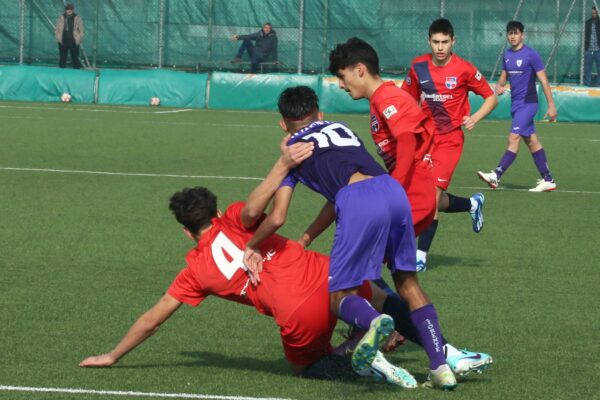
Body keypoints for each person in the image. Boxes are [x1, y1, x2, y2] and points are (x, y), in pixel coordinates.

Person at [78, 182, 418, 386]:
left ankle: (366, 367)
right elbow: (263, 205)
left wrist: (113, 355)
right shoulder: (235, 217)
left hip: (297, 311)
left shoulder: (195, 271)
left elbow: (152, 320)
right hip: (323, 272)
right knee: (375, 292)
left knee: (306, 367)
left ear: (186, 231)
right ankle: (434, 347)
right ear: (217, 211)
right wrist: (284, 163)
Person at [242, 86, 461, 391]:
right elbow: (339, 191)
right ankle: (440, 367)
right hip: (393, 192)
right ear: (320, 114)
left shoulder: (293, 152)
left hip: (358, 201)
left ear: (283, 124)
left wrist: (251, 245)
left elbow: (277, 216)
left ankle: (373, 322)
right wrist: (307, 238)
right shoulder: (339, 128)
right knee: (408, 284)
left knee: (339, 299)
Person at [400, 19, 497, 271]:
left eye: (445, 42)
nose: (440, 47)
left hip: (450, 140)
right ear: (428, 41)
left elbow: (490, 97)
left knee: (430, 197)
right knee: (427, 197)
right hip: (424, 139)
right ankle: (472, 204)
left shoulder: (464, 69)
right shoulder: (417, 66)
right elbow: (407, 101)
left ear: (453, 41)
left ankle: (420, 256)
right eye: (435, 42)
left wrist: (474, 117)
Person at [477, 21, 558, 193]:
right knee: (532, 141)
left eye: (516, 33)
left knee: (513, 138)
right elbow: (504, 76)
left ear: (522, 35)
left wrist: (551, 105)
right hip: (516, 105)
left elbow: (543, 80)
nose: (512, 36)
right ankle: (548, 179)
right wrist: (498, 86)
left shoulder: (531, 55)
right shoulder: (506, 55)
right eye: (510, 33)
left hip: (528, 104)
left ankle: (496, 175)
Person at [54, 3, 84, 69]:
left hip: (73, 40)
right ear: (65, 10)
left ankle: (76, 70)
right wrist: (58, 36)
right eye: (68, 9)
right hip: (63, 40)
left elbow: (81, 29)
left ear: (73, 10)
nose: (69, 10)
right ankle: (61, 70)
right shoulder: (61, 17)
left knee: (75, 56)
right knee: (62, 57)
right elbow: (57, 28)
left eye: (71, 9)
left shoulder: (77, 18)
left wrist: (79, 37)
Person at [584, 7, 600, 86]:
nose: (593, 14)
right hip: (589, 50)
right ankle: (587, 84)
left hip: (598, 50)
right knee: (587, 69)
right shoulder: (588, 23)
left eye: (595, 13)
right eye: (592, 13)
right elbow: (585, 36)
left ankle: (598, 85)